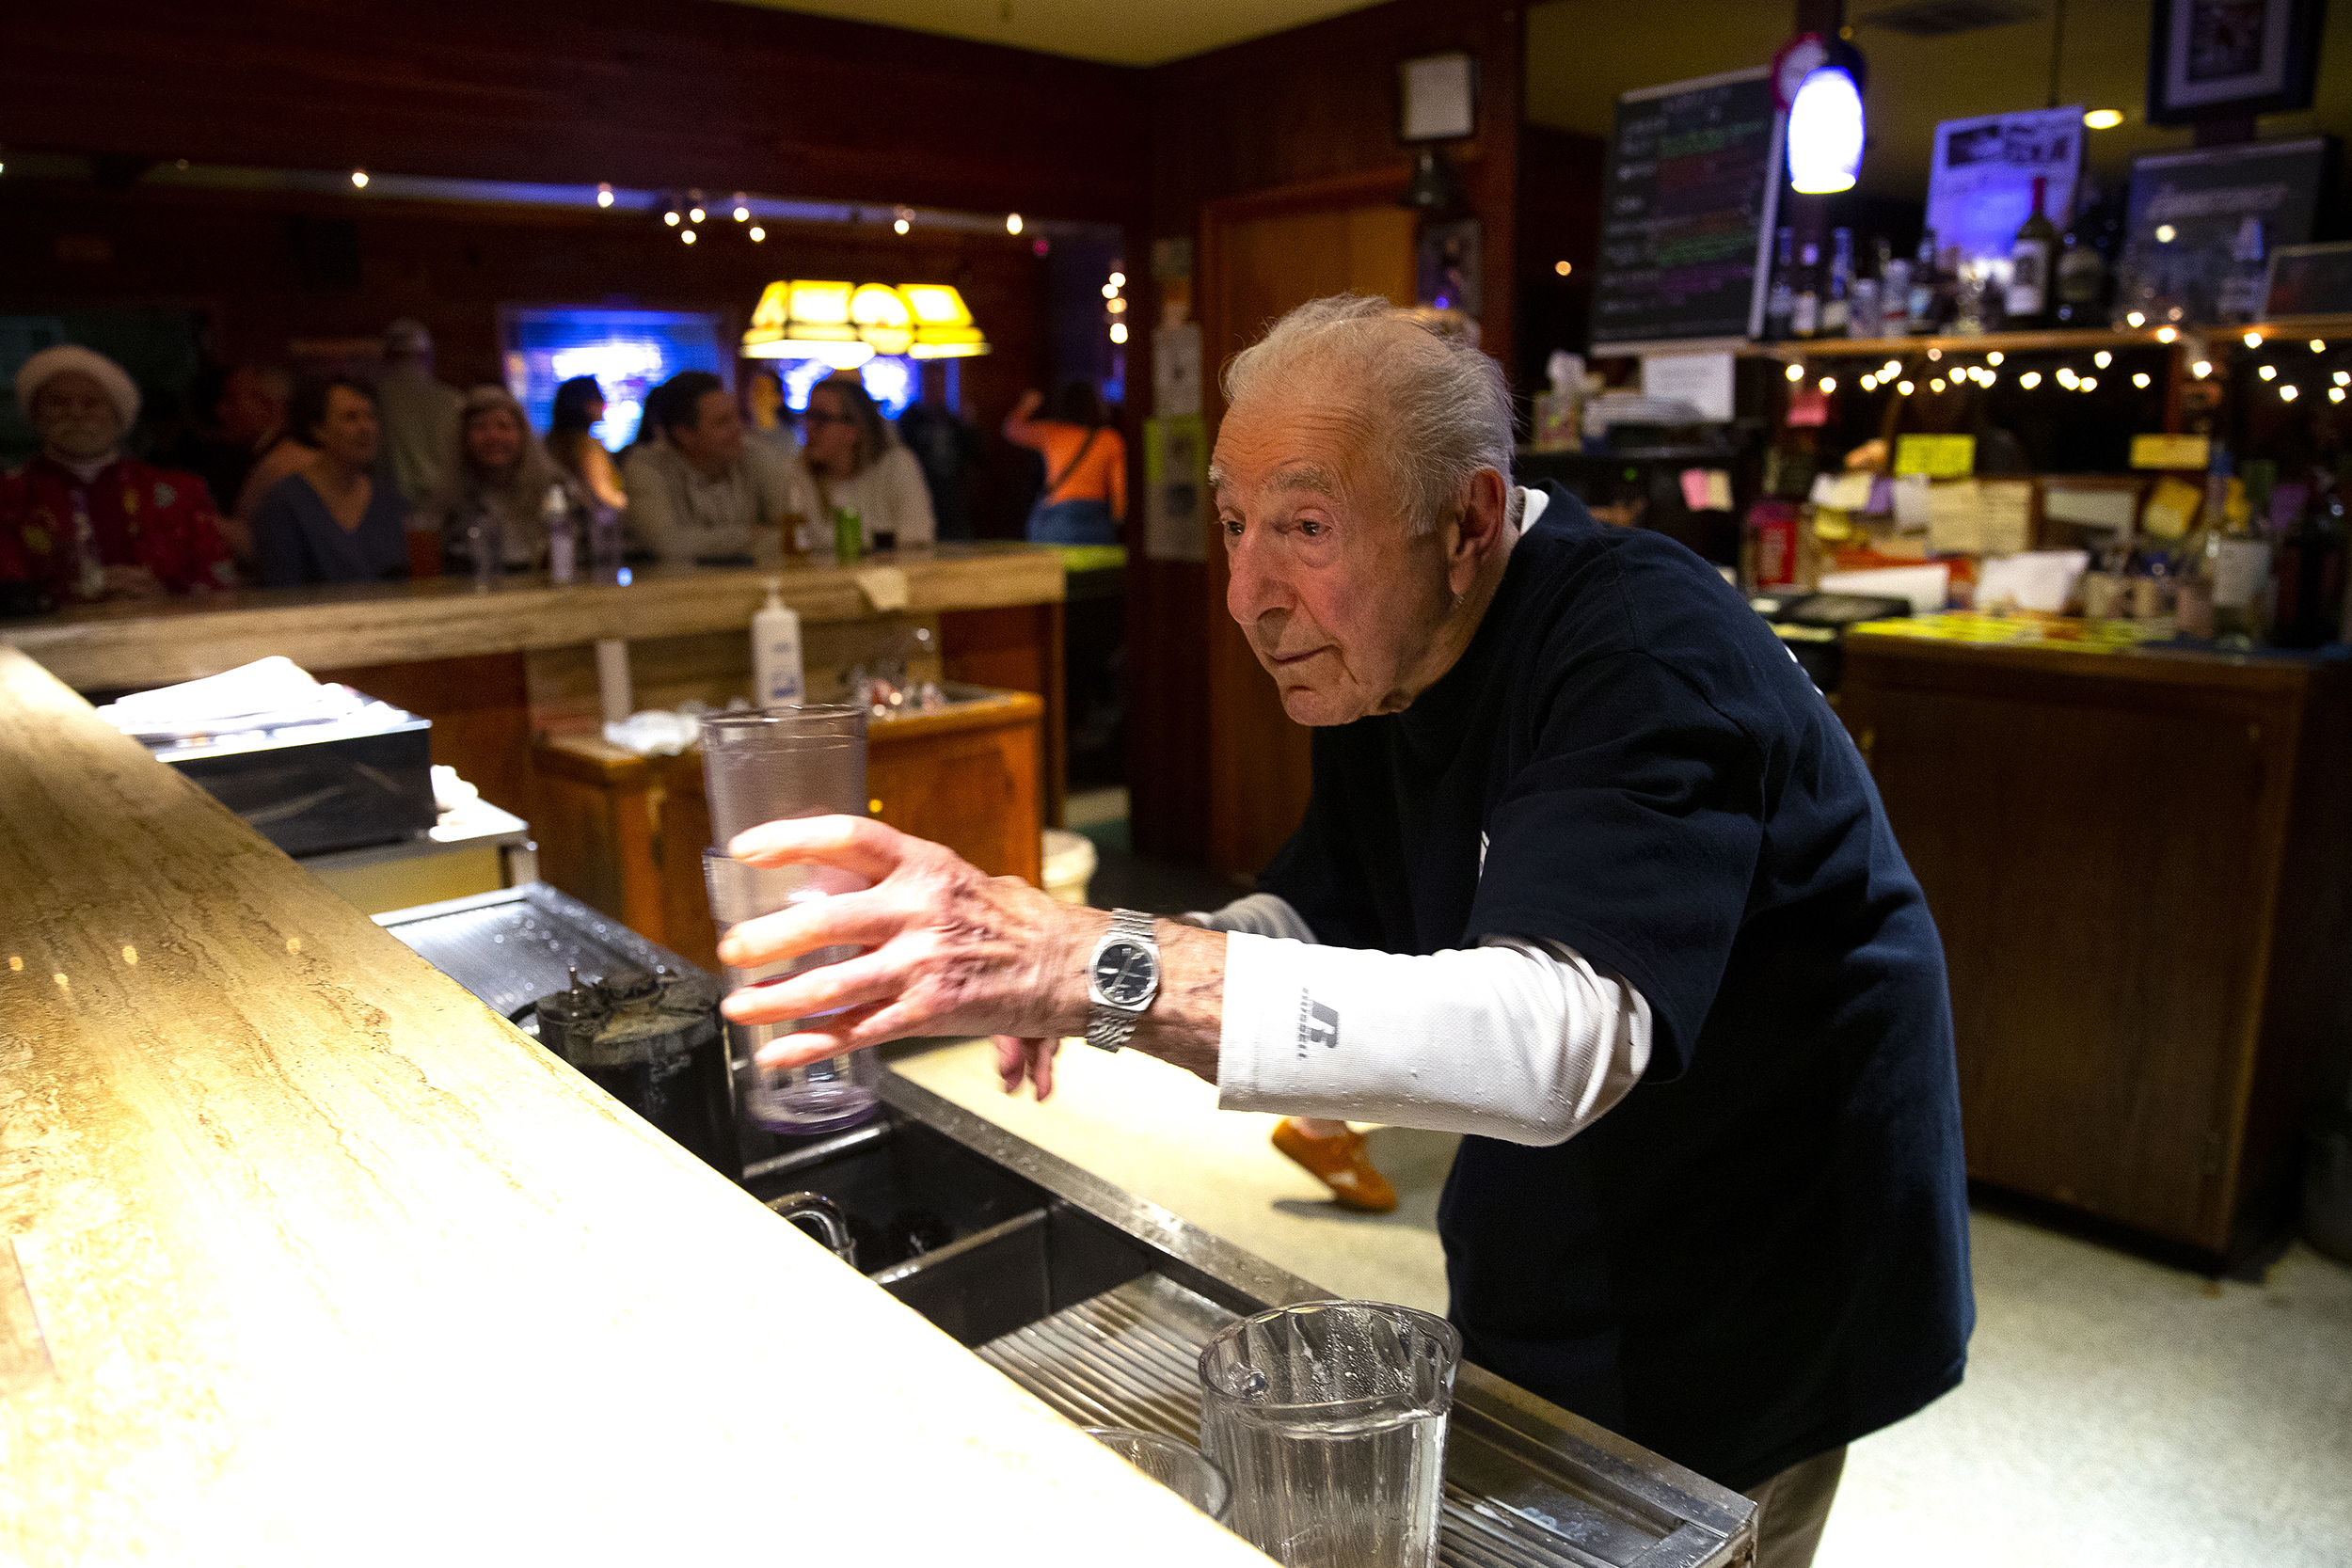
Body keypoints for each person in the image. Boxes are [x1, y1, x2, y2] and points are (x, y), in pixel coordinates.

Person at [709, 296, 1972, 1568]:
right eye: (1235, 524)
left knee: (1694, 1513)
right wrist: (1082, 960)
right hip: (1575, 1194)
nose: (1248, 596)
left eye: (1307, 526)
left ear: (1468, 522)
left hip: (1771, 1216)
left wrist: (1091, 962)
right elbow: (1329, 913)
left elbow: (1558, 1038)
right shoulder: (1390, 645)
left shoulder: (1638, 645)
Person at [0, 344, 238, 607]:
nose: (75, 413)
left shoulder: (181, 491)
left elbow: (221, 590)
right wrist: (71, 597)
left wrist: (164, 600)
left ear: (118, 415)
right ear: (35, 415)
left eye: (91, 403)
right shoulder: (9, 496)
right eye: (58, 402)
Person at [622, 370, 809, 565]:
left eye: (737, 417)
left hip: (746, 582)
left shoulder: (752, 455)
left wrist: (704, 543)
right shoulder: (646, 467)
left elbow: (798, 532)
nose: (738, 428)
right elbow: (666, 544)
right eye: (722, 422)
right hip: (670, 584)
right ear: (684, 434)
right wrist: (748, 536)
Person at [249, 376, 410, 587]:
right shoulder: (285, 504)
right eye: (350, 418)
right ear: (319, 430)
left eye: (370, 416)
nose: (366, 428)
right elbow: (281, 594)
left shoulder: (392, 503)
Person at [430, 385, 574, 574]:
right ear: (464, 439)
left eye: (503, 426)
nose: (493, 436)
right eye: (480, 427)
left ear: (523, 434)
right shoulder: (448, 502)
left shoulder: (556, 489)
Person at [798, 374, 935, 548]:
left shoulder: (896, 465)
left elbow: (918, 534)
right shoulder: (800, 473)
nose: (809, 427)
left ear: (853, 430)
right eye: (808, 416)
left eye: (821, 418)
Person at [1005, 382, 1125, 545]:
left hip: (1057, 518)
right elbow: (1119, 492)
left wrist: (1027, 405)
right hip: (1096, 518)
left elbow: (1012, 429)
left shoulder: (1053, 433)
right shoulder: (1110, 439)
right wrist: (1118, 526)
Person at [374, 319, 463, 514]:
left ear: (386, 358)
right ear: (426, 356)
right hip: (444, 507)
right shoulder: (453, 401)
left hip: (390, 509)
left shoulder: (373, 402)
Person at [898, 365, 983, 542]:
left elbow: (976, 457)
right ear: (921, 385)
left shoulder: (954, 420)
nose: (935, 390)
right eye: (930, 384)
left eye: (939, 385)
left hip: (953, 502)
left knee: (959, 547)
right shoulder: (908, 420)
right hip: (919, 495)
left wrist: (969, 426)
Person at [544, 376, 628, 514]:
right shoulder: (583, 446)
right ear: (586, 404)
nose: (604, 402)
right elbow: (606, 496)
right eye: (599, 397)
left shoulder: (554, 441)